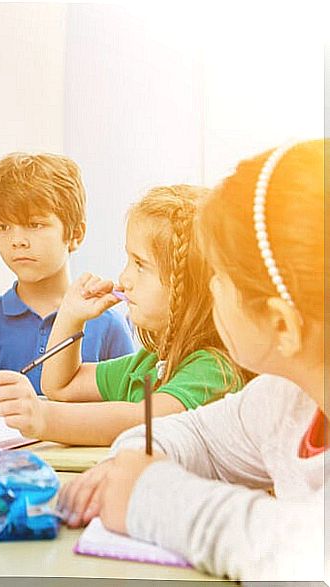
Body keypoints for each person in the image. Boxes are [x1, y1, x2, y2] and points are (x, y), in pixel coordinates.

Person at [57, 140, 326, 581]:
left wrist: (146, 494)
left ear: (281, 326)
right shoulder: (284, 400)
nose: (209, 290)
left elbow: (307, 551)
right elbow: (187, 435)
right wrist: (127, 467)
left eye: (220, 277)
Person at [0, 185, 247, 446]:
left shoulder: (215, 370)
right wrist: (71, 315)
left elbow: (145, 421)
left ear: (190, 286)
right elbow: (61, 386)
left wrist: (42, 417)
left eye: (140, 265)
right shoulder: (148, 365)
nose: (124, 278)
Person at [0, 152, 134, 396]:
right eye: (3, 227)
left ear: (75, 234)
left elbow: (128, 411)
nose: (18, 241)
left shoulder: (108, 325)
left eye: (35, 225)